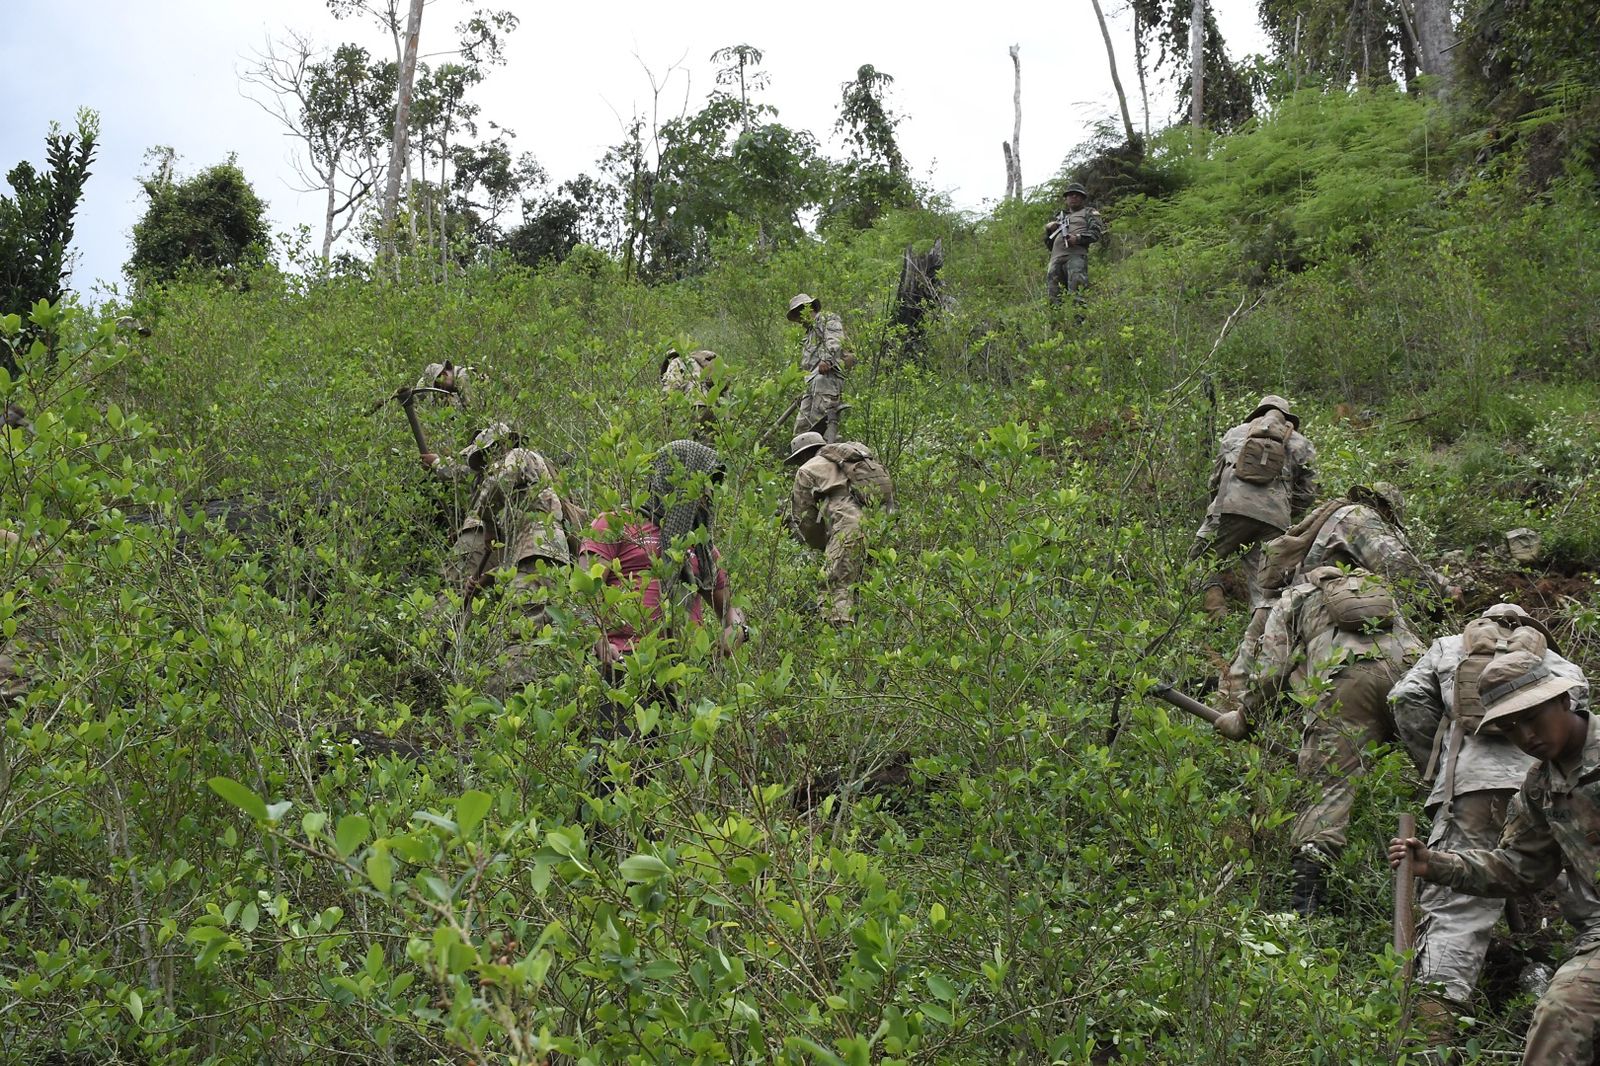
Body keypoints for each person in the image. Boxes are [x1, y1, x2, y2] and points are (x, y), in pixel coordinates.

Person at [1389, 644, 1600, 1066]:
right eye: (1510, 727)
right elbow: (1520, 868)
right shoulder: (1540, 787)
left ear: (1564, 700)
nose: (1526, 736)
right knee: (1560, 1016)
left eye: (1531, 718)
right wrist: (1435, 865)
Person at [1215, 565, 1423, 914]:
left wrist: (1243, 717)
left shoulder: (1294, 597)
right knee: (1440, 782)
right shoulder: (1377, 589)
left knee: (1327, 792)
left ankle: (1306, 910)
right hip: (1411, 676)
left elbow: (1272, 670)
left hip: (1345, 682)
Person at [1219, 481, 1459, 704]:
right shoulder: (1361, 516)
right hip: (1301, 612)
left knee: (1236, 695)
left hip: (1274, 607)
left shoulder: (1331, 514)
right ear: (1387, 510)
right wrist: (1444, 590)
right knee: (1289, 698)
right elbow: (1398, 564)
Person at [578, 440, 736, 734]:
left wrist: (737, 630)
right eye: (703, 484)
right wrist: (597, 637)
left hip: (683, 673)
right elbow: (584, 591)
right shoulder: (615, 524)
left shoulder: (701, 545)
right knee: (620, 757)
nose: (709, 494)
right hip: (625, 665)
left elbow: (729, 612)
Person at [1189, 394, 1317, 622]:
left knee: (1200, 560)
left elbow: (1215, 480)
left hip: (1230, 507)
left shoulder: (1234, 433)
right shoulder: (1301, 443)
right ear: (1287, 418)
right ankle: (1261, 635)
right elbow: (1307, 492)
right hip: (1275, 519)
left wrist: (1218, 510)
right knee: (1265, 586)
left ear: (1258, 413)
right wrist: (1285, 510)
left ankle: (1216, 614)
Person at [425, 423, 575, 613]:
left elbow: (497, 483)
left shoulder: (519, 455)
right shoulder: (522, 483)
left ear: (503, 445)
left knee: (523, 619)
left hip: (536, 551)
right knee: (528, 619)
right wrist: (487, 578)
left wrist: (488, 524)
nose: (488, 461)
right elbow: (465, 472)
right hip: (541, 554)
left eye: (489, 453)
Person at [785, 431, 885, 627]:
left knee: (835, 586)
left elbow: (806, 520)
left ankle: (842, 639)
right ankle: (867, 634)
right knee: (864, 585)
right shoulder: (845, 460)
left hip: (849, 528)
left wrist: (823, 545)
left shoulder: (807, 469)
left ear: (804, 454)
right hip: (878, 524)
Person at [787, 293, 852, 442]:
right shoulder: (809, 335)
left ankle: (827, 455)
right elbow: (809, 366)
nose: (799, 319)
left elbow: (835, 339)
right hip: (813, 383)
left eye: (799, 312)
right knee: (801, 431)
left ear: (809, 308)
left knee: (821, 425)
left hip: (827, 380)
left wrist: (827, 360)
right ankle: (806, 456)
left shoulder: (827, 318)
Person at [1043, 182, 1104, 306]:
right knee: (1054, 299)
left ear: (1083, 198)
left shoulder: (1088, 212)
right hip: (1055, 259)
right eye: (1070, 195)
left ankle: (1079, 318)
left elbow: (1096, 233)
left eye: (1077, 195)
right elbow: (1049, 244)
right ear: (1066, 199)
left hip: (1075, 256)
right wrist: (1049, 229)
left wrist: (1078, 238)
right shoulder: (1060, 217)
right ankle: (1058, 319)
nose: (1074, 197)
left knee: (1077, 295)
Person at [659, 348, 720, 433]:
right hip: (715, 407)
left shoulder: (676, 361)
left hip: (695, 405)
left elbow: (672, 386)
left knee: (689, 438)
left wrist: (664, 409)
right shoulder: (701, 363)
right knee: (709, 440)